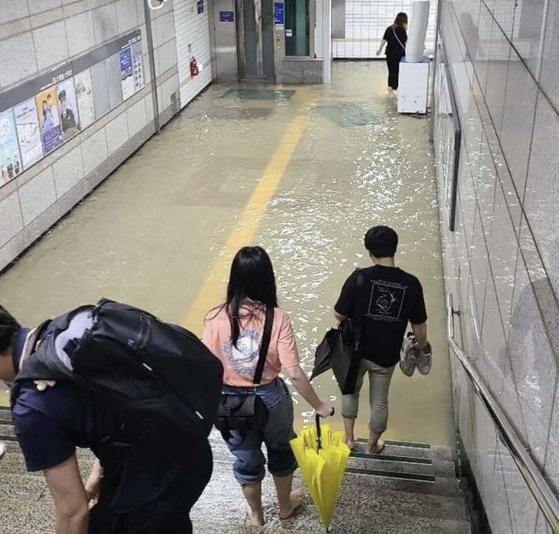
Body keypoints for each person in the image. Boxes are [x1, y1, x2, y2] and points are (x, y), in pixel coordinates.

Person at [0, 305, 212, 534]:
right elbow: (120, 400)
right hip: (189, 442)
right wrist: (98, 474)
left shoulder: (31, 407)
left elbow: (73, 512)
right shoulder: (64, 333)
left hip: (155, 479)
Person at [202, 246, 334, 527]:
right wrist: (319, 406)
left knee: (246, 459)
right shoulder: (277, 317)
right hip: (270, 398)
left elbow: (205, 368)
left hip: (230, 402)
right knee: (281, 451)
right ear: (267, 278)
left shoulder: (214, 318)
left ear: (234, 278)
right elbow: (295, 373)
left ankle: (256, 516)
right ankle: (285, 506)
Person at [334, 226, 429, 453]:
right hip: (386, 355)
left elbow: (338, 314)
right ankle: (372, 445)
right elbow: (419, 326)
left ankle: (349, 440)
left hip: (355, 351)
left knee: (350, 391)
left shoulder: (358, 277)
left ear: (370, 251)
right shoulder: (411, 283)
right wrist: (422, 346)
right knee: (379, 401)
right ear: (395, 249)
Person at [377, 12, 408, 94]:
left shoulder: (389, 28)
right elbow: (406, 42)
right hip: (399, 54)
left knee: (391, 71)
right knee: (398, 71)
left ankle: (390, 89)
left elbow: (384, 40)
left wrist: (379, 49)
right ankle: (396, 88)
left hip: (389, 53)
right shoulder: (402, 30)